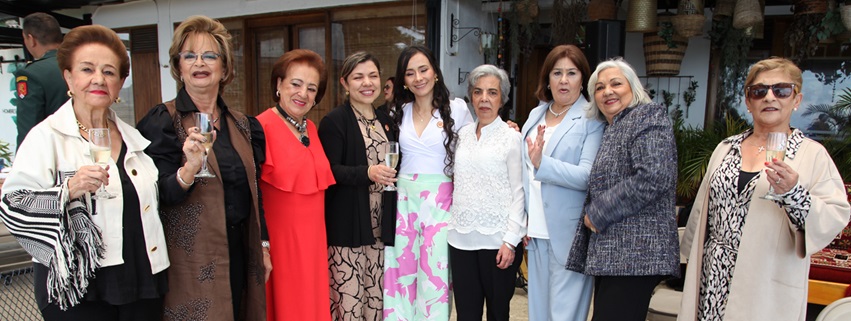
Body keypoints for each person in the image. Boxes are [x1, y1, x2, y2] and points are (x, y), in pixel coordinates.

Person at [0, 24, 168, 320]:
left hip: (140, 280)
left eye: (109, 72)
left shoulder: (135, 138)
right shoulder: (46, 137)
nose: (98, 79)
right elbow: (11, 205)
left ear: (120, 82)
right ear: (68, 77)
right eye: (87, 69)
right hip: (78, 284)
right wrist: (68, 190)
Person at [678, 57, 851, 321]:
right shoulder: (726, 148)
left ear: (796, 99)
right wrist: (690, 258)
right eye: (759, 91)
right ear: (748, 102)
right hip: (712, 274)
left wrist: (793, 193)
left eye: (781, 90)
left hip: (766, 277)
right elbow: (702, 210)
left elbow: (834, 216)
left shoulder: (812, 154)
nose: (770, 97)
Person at [136, 15, 269, 321]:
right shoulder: (163, 120)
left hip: (239, 251)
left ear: (224, 67)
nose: (199, 63)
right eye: (189, 55)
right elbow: (155, 195)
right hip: (189, 259)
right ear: (178, 66)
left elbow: (255, 192)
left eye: (210, 55)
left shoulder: (244, 125)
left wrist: (263, 245)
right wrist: (189, 170)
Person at [565, 57, 679, 321]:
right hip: (617, 256)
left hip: (636, 254)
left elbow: (654, 175)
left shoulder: (647, 115)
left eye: (616, 84)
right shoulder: (613, 127)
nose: (607, 91)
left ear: (633, 88)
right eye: (599, 87)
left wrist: (598, 212)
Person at [383, 45, 473, 320]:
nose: (418, 78)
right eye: (410, 73)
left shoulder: (457, 109)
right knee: (399, 272)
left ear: (435, 72)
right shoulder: (398, 111)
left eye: (423, 70)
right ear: (403, 80)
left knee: (436, 275)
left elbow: (475, 145)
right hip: (403, 201)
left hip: (441, 202)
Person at [521, 44, 604, 321]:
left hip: (568, 235)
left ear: (583, 79)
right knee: (538, 315)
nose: (563, 80)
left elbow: (587, 176)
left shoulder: (591, 117)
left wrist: (542, 164)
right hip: (536, 232)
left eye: (572, 73)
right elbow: (524, 171)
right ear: (547, 78)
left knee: (564, 316)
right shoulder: (535, 114)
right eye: (557, 73)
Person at [317, 51, 397, 321]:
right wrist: (368, 172)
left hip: (380, 228)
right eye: (358, 77)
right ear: (345, 82)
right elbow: (330, 171)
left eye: (373, 76)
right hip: (348, 226)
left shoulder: (386, 121)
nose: (367, 83)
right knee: (349, 302)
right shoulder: (335, 121)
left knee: (376, 301)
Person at [256, 49, 334, 321]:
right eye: (296, 84)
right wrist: (262, 246)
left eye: (311, 88)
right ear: (279, 84)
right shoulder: (260, 127)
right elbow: (251, 194)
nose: (303, 94)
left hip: (314, 243)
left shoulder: (310, 128)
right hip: (282, 245)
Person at [448, 64, 525, 321]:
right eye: (478, 91)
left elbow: (519, 192)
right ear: (471, 96)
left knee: (497, 314)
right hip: (461, 240)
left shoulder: (512, 138)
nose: (484, 99)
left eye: (492, 92)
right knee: (466, 315)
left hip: (498, 243)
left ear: (502, 99)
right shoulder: (462, 135)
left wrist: (511, 240)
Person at [15, 12, 68, 149]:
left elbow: (28, 129)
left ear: (31, 39)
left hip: (52, 152)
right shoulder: (80, 63)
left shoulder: (31, 74)